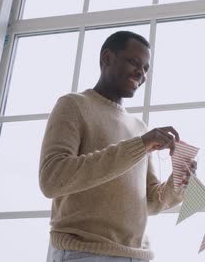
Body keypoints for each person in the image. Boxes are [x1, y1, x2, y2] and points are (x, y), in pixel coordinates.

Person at [39, 31, 196, 261]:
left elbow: (151, 202)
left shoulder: (139, 127)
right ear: (107, 58)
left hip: (138, 254)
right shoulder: (73, 105)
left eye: (145, 68)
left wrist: (178, 181)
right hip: (84, 253)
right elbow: (52, 180)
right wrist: (140, 145)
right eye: (134, 62)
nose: (141, 73)